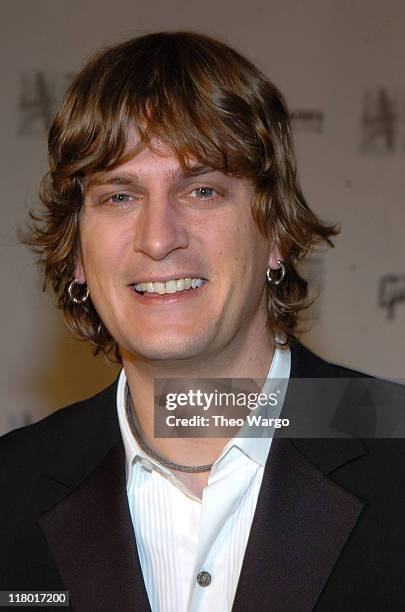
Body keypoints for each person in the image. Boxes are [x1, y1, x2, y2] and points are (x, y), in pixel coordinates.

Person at [1, 31, 404, 612]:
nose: (159, 238)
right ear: (77, 253)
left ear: (276, 233)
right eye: (119, 196)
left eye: (203, 189)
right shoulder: (10, 489)